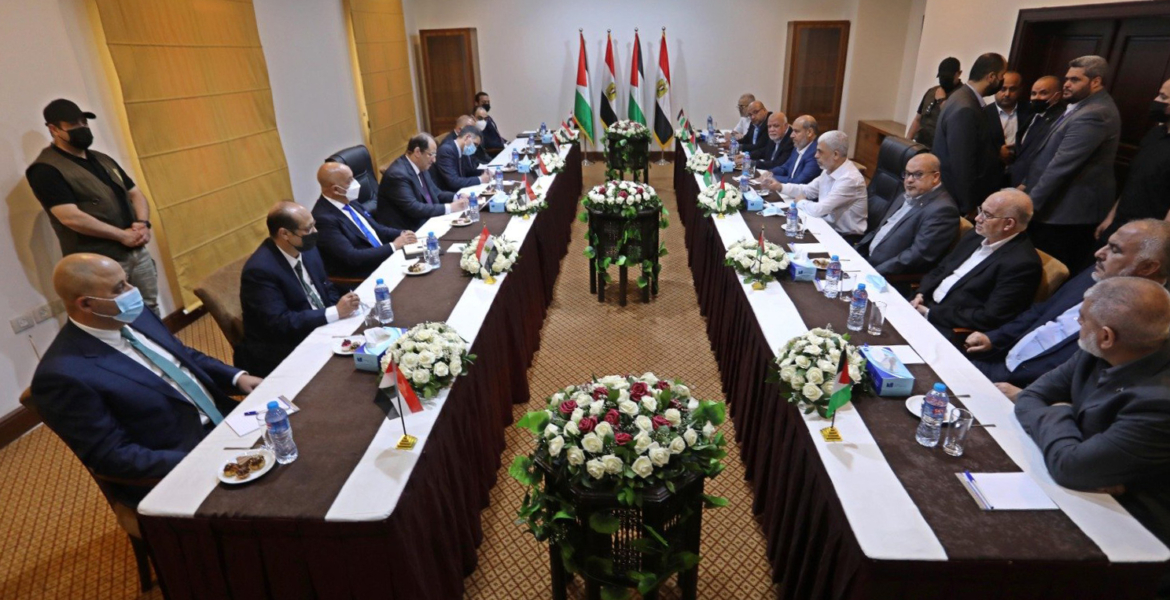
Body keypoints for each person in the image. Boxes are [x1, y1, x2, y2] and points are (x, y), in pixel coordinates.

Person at [30, 253, 262, 505]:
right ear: (86, 304)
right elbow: (112, 456)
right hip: (182, 460)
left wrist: (236, 377)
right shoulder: (62, 375)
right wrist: (200, 459)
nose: (133, 291)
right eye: (120, 288)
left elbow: (181, 355)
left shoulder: (134, 315)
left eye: (127, 280)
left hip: (227, 419)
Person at [1015, 276, 1170, 599]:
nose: (1077, 324)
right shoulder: (1100, 350)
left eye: (1082, 319)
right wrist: (1073, 432)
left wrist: (1060, 411)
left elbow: (1070, 468)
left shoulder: (1160, 403)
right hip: (1086, 482)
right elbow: (1031, 397)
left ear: (1106, 336)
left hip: (1131, 528)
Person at [967, 219, 1170, 395]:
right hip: (1000, 361)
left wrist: (1029, 397)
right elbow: (1042, 311)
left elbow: (1102, 390)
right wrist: (994, 338)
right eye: (1106, 245)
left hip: (1026, 391)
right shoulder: (1099, 272)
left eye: (1115, 250)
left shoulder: (1148, 320)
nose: (1099, 253)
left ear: (1148, 267)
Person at [26, 99, 161, 315]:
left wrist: (143, 224)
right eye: (73, 124)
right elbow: (70, 217)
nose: (82, 128)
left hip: (136, 251)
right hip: (99, 263)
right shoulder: (45, 170)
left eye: (84, 122)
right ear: (54, 129)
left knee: (150, 308)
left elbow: (134, 193)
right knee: (117, 317)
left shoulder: (102, 159)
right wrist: (122, 236)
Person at [1021, 55, 1121, 273]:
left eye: (1075, 80)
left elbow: (1061, 166)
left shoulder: (1095, 113)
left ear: (1096, 81)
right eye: (1067, 78)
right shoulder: (1080, 106)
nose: (1066, 84)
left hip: (1067, 214)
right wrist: (1026, 184)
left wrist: (1028, 207)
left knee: (1050, 270)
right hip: (1055, 206)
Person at [237, 201, 361, 377]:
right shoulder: (259, 271)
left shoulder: (307, 249)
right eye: (308, 229)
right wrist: (334, 312)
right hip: (285, 346)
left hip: (322, 325)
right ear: (285, 234)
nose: (315, 232)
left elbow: (326, 286)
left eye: (314, 225)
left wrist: (339, 309)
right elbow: (279, 323)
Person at [912, 189, 1041, 336]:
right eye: (981, 210)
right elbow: (943, 268)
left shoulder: (1022, 264)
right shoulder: (977, 234)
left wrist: (931, 313)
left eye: (987, 215)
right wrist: (921, 293)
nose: (978, 218)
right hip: (922, 304)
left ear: (1008, 224)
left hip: (948, 327)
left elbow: (990, 317)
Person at [855, 153, 959, 276]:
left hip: (885, 274)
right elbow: (880, 229)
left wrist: (874, 272)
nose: (909, 180)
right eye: (907, 174)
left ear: (935, 177)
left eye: (918, 174)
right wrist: (856, 250)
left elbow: (917, 255)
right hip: (866, 259)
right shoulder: (907, 194)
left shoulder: (943, 211)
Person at [311, 162, 415, 282]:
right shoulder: (323, 219)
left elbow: (376, 229)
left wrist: (403, 233)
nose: (356, 183)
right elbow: (352, 257)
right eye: (349, 180)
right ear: (335, 189)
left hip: (385, 259)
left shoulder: (350, 201)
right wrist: (394, 246)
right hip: (365, 274)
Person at [1095, 79, 1170, 242]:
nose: (1156, 100)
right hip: (1120, 223)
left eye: (1163, 97)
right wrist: (1111, 216)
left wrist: (1160, 244)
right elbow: (1134, 180)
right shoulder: (1155, 133)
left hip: (1147, 235)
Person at [934, 53, 1008, 215]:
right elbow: (962, 163)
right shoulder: (966, 107)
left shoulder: (961, 96)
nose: (1003, 80)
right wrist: (969, 207)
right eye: (1002, 76)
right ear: (991, 77)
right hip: (957, 201)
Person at [779, 130, 867, 239]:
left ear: (835, 154)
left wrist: (800, 202)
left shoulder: (850, 179)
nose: (815, 155)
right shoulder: (828, 169)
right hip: (825, 226)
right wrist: (779, 186)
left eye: (820, 152)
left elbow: (819, 210)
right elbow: (807, 190)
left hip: (845, 237)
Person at [375, 133, 469, 231]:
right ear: (417, 152)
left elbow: (436, 193)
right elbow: (414, 208)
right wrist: (450, 207)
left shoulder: (421, 166)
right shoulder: (397, 175)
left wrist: (457, 197)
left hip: (426, 222)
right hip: (408, 231)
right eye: (431, 155)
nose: (434, 160)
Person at [1009, 76, 1067, 188]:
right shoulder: (1032, 115)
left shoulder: (1059, 121)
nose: (1037, 97)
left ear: (1057, 96)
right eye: (1033, 93)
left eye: (1043, 93)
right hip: (1016, 179)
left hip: (1032, 184)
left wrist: (1026, 182)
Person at [907, 57, 962, 147]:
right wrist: (907, 142)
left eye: (947, 77)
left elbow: (954, 122)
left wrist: (941, 100)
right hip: (920, 144)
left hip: (940, 148)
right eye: (942, 77)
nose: (944, 80)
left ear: (958, 74)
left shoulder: (962, 96)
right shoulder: (931, 92)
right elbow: (917, 119)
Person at [986, 71, 1032, 170]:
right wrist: (997, 152)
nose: (1007, 94)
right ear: (995, 89)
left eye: (1012, 89)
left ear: (1020, 90)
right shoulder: (983, 113)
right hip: (991, 170)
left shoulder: (1030, 112)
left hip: (1020, 170)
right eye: (1003, 89)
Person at [758, 115, 821, 187]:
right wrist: (770, 172)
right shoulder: (798, 146)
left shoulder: (816, 153)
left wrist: (772, 178)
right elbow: (785, 167)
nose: (791, 135)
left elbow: (798, 182)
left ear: (809, 132)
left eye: (796, 131)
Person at [434, 124, 491, 193]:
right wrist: (480, 179)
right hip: (451, 193)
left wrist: (484, 171)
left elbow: (468, 172)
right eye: (475, 144)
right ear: (467, 137)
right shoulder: (446, 151)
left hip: (461, 189)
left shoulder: (462, 149)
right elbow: (453, 182)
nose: (475, 148)